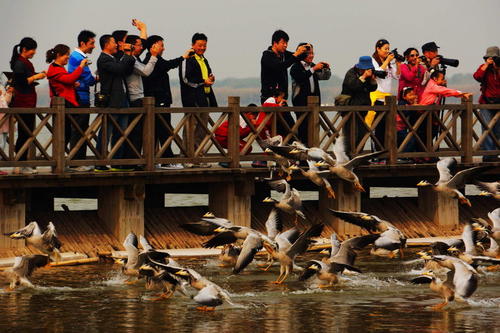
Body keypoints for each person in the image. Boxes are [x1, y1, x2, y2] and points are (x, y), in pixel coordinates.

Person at [144, 35, 192, 169]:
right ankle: (166, 160)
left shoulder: (154, 60)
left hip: (158, 102)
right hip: (159, 102)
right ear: (153, 46)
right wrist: (183, 57)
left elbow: (166, 65)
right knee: (164, 130)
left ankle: (155, 160)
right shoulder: (152, 60)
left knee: (158, 131)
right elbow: (168, 65)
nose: (163, 48)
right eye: (161, 45)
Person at [95, 34, 135, 172]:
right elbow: (120, 69)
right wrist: (128, 54)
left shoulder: (113, 59)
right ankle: (100, 162)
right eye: (114, 42)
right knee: (107, 131)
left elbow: (126, 70)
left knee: (121, 132)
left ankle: (116, 162)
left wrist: (128, 56)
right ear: (106, 44)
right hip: (112, 101)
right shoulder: (104, 59)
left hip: (122, 99)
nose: (117, 45)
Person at [46, 44, 89, 170]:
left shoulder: (59, 68)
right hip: (62, 105)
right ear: (59, 55)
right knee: (63, 135)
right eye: (66, 55)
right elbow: (69, 79)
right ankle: (64, 164)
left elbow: (65, 82)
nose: (68, 58)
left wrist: (71, 84)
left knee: (68, 133)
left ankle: (68, 162)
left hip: (68, 104)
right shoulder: (54, 69)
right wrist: (81, 66)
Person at [260, 30, 309, 136]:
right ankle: (277, 149)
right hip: (269, 99)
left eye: (287, 43)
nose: (285, 45)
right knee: (278, 129)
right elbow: (280, 66)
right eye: (283, 43)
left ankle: (288, 149)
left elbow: (298, 58)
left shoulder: (283, 54)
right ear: (275, 43)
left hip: (282, 100)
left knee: (290, 129)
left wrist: (304, 50)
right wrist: (295, 55)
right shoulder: (267, 56)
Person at [10, 37, 46, 174]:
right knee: (24, 133)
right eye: (32, 49)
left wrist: (38, 75)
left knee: (27, 133)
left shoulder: (24, 63)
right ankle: (20, 164)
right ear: (24, 49)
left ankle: (22, 164)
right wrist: (36, 77)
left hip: (29, 100)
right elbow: (21, 82)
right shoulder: (19, 63)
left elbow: (27, 78)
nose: (34, 52)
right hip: (23, 101)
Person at [179, 32, 216, 167]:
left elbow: (206, 78)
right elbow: (186, 79)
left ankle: (199, 157)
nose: (202, 48)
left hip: (204, 99)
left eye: (204, 45)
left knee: (202, 129)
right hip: (191, 99)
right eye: (200, 45)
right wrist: (203, 82)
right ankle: (187, 158)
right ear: (193, 45)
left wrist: (210, 79)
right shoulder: (187, 59)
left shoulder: (204, 60)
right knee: (190, 129)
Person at [418, 70, 472, 162]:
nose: (444, 80)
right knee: (425, 135)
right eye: (442, 78)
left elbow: (445, 92)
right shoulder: (432, 86)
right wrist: (461, 93)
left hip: (429, 113)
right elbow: (445, 91)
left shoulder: (435, 85)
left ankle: (428, 155)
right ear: (435, 78)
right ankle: (424, 156)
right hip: (424, 113)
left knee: (431, 133)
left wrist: (460, 94)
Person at [123, 32, 158, 170]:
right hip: (134, 98)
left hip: (138, 97)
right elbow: (146, 71)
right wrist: (154, 56)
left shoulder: (134, 58)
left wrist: (143, 29)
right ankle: (134, 161)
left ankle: (136, 160)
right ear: (131, 46)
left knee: (138, 132)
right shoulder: (130, 59)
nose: (141, 47)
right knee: (135, 132)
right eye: (139, 45)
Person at [290, 43, 331, 146]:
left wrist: (326, 69)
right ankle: (303, 158)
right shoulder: (295, 67)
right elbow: (301, 78)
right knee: (303, 131)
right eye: (308, 53)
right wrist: (314, 69)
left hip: (315, 104)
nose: (311, 56)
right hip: (301, 104)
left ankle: (314, 155)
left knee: (314, 131)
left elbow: (325, 77)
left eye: (312, 53)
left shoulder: (313, 66)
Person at [67, 30, 97, 171]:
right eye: (92, 43)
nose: (93, 46)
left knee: (81, 129)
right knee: (79, 129)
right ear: (82, 43)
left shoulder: (77, 56)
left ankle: (78, 161)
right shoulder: (78, 58)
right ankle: (76, 162)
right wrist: (96, 78)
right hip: (80, 97)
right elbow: (88, 79)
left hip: (82, 96)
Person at [370, 39, 401, 156]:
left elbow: (397, 76)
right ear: (378, 49)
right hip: (376, 97)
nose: (387, 51)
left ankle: (384, 154)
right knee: (376, 128)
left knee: (385, 128)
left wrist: (397, 63)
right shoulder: (373, 60)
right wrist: (387, 60)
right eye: (385, 49)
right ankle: (375, 154)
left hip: (387, 100)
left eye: (389, 49)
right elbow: (378, 72)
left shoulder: (389, 63)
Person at [340, 56, 377, 154]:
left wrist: (373, 80)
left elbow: (372, 89)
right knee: (349, 133)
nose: (367, 70)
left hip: (363, 108)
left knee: (362, 133)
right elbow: (354, 86)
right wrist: (363, 77)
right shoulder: (351, 73)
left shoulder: (369, 75)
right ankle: (347, 155)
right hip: (349, 108)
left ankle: (358, 154)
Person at [473, 46, 500, 161]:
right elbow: (477, 76)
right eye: (489, 58)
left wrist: (497, 68)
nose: (492, 60)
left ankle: (495, 153)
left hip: (498, 103)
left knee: (498, 130)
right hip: (486, 102)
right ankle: (488, 155)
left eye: (494, 58)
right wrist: (486, 65)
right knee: (487, 128)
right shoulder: (484, 68)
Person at [397, 87, 418, 157]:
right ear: (404, 97)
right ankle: (402, 157)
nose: (413, 97)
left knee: (408, 140)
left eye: (414, 95)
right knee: (410, 140)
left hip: (402, 128)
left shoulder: (407, 103)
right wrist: (413, 106)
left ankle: (404, 156)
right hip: (397, 128)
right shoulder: (401, 103)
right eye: (410, 95)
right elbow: (405, 112)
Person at [0, 80, 13, 175]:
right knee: (0, 143)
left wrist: (8, 93)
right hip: (1, 119)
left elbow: (6, 101)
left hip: (4, 119)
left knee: (3, 143)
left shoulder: (1, 86)